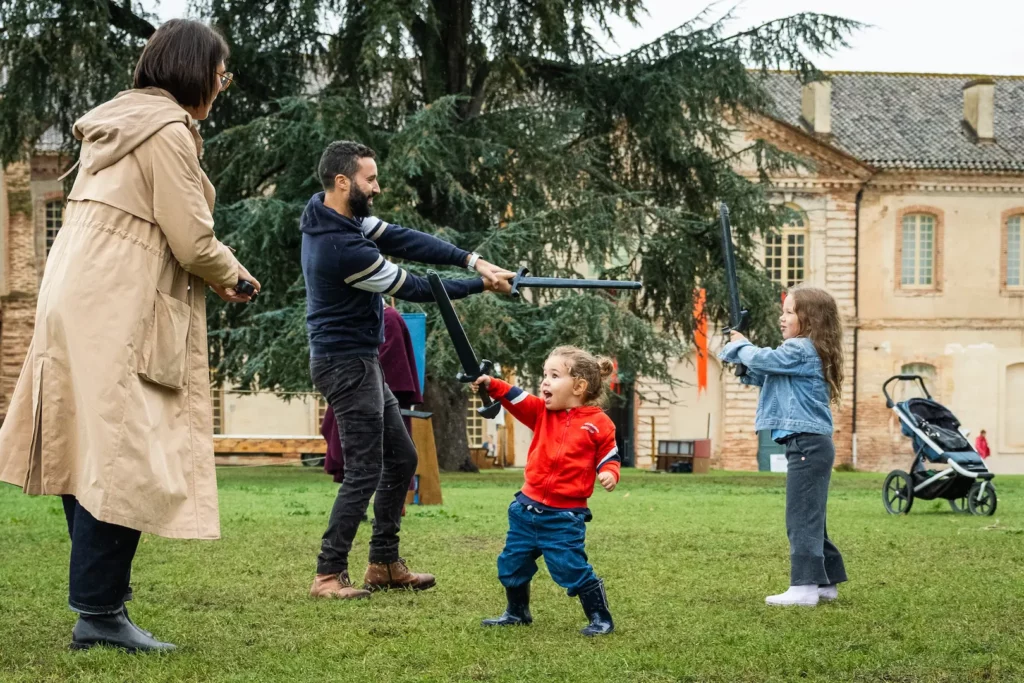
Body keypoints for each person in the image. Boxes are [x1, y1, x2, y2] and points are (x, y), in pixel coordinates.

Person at [0, 19, 259, 652]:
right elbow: (192, 237)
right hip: (117, 302)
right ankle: (99, 613)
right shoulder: (167, 130)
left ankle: (98, 604)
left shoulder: (115, 123)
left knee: (86, 449)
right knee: (123, 455)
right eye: (221, 74)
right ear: (195, 71)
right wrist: (235, 275)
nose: (222, 86)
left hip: (75, 295)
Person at [302, 140, 514, 600]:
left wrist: (471, 259)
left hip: (362, 360)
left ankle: (382, 564)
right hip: (346, 365)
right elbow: (413, 286)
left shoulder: (332, 212)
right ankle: (327, 575)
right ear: (343, 182)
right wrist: (481, 285)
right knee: (363, 470)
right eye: (369, 179)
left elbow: (401, 237)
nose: (376, 187)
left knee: (401, 459)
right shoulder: (342, 248)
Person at [473, 346, 621, 636]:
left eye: (554, 376)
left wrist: (608, 473)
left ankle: (600, 617)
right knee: (511, 563)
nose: (544, 382)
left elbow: (609, 455)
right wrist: (492, 384)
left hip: (564, 516)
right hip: (525, 510)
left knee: (570, 567)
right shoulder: (541, 413)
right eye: (545, 374)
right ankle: (517, 613)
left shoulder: (599, 423)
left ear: (579, 386)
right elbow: (517, 398)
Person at [720, 285, 847, 607]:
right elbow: (767, 375)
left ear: (810, 318)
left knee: (801, 517)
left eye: (790, 311)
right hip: (808, 444)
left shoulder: (801, 348)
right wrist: (745, 366)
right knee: (810, 516)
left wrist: (740, 346)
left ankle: (803, 588)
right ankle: (825, 583)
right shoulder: (803, 353)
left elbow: (764, 359)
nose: (782, 317)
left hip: (807, 443)